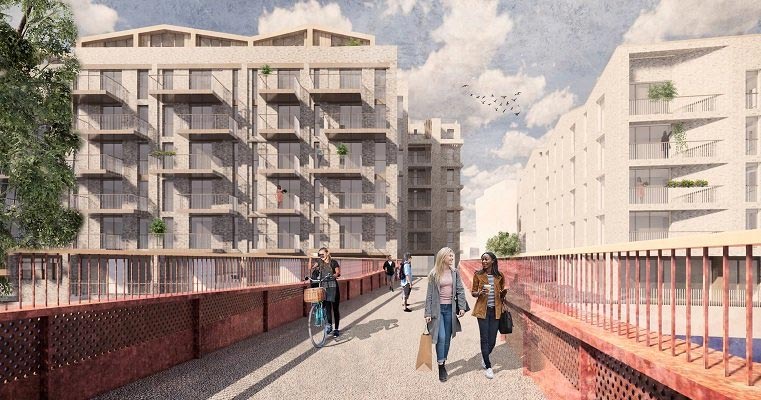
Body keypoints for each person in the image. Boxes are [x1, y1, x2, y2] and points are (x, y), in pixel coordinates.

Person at [424, 247, 467, 382]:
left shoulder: (455, 272)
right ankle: (441, 365)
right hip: (438, 310)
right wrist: (427, 312)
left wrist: (461, 307)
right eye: (450, 256)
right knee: (441, 336)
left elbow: (460, 290)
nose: (452, 258)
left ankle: (444, 359)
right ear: (443, 257)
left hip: (450, 309)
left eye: (452, 256)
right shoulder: (434, 274)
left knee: (447, 338)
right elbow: (429, 295)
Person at [471, 252, 507, 379]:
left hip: (496, 311)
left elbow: (502, 291)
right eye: (482, 260)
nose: (484, 261)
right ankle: (488, 366)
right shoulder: (478, 275)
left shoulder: (500, 276)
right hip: (482, 311)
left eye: (486, 259)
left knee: (492, 340)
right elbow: (473, 292)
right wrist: (479, 292)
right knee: (484, 338)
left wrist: (503, 294)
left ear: (493, 261)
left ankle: (485, 356)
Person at [311, 247, 342, 337]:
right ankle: (329, 326)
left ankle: (336, 329)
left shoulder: (333, 262)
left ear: (327, 253)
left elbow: (338, 272)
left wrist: (334, 275)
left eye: (322, 254)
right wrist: (310, 258)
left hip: (333, 287)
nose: (321, 256)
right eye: (319, 255)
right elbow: (311, 267)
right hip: (324, 287)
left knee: (335, 309)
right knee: (328, 308)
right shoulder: (320, 262)